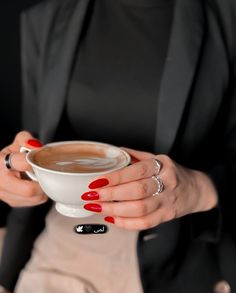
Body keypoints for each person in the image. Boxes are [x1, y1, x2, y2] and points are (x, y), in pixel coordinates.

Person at [0, 0, 236, 292]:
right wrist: (13, 173)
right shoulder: (46, 19)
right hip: (60, 259)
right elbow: (31, 147)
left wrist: (200, 189)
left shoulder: (228, 18)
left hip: (176, 268)